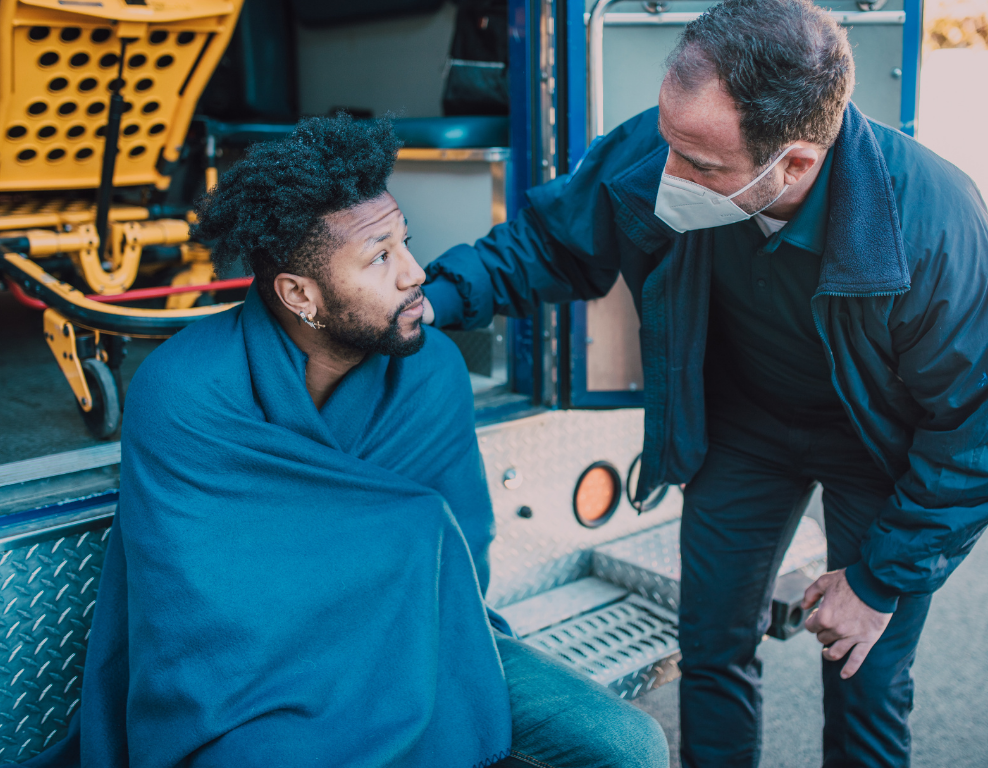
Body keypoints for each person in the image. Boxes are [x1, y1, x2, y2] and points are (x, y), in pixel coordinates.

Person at [419, 0, 988, 765]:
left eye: (700, 167)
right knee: (710, 650)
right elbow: (551, 242)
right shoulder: (677, 140)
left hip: (880, 451)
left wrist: (876, 582)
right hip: (745, 430)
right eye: (670, 144)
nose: (665, 176)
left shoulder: (936, 226)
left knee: (865, 673)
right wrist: (431, 300)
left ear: (795, 163)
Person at [24, 116, 669, 768]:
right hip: (250, 676)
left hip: (424, 631)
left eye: (406, 244)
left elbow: (458, 563)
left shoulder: (432, 369)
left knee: (631, 745)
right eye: (380, 257)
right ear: (300, 293)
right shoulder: (184, 389)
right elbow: (194, 617)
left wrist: (407, 548)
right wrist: (406, 534)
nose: (417, 273)